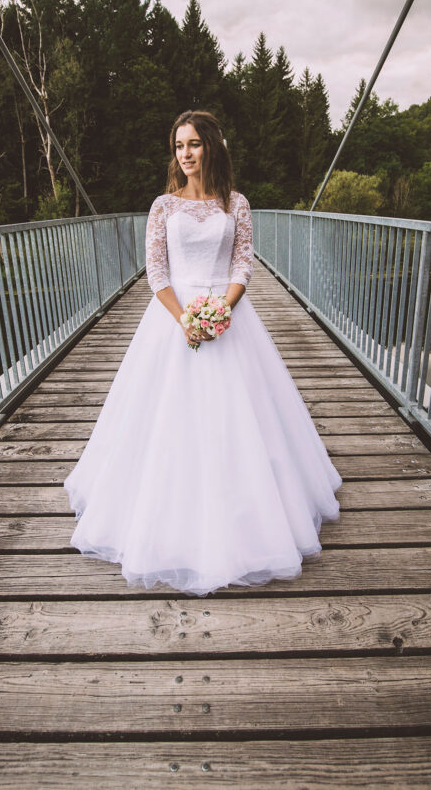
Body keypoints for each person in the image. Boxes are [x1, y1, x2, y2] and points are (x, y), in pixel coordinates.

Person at [64, 109, 342, 596]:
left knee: (243, 419)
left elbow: (243, 263)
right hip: (174, 318)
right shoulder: (162, 207)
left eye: (193, 144)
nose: (185, 154)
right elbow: (157, 273)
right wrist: (187, 319)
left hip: (228, 313)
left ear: (212, 146)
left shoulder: (235, 204)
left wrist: (220, 311)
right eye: (178, 146)